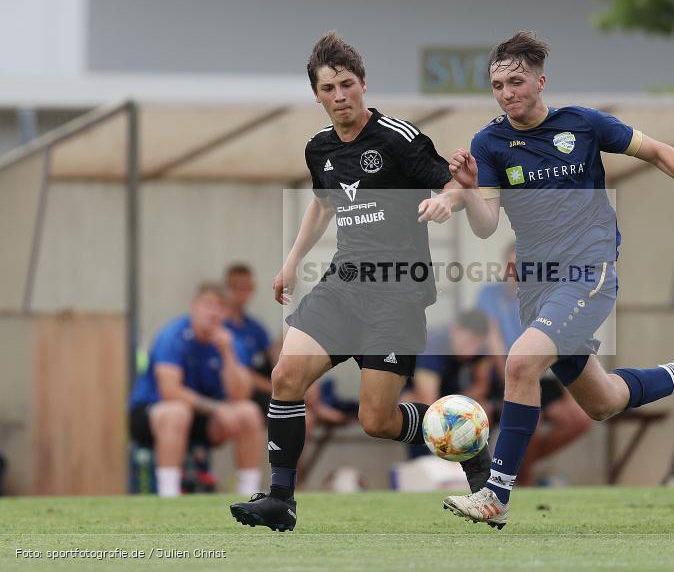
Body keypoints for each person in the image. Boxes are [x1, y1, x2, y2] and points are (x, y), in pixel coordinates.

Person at [443, 31, 674, 528]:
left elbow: (658, 151)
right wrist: (470, 191)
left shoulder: (582, 124)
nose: (507, 93)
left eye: (516, 81)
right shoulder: (488, 142)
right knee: (603, 403)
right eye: (497, 85)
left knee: (520, 364)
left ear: (540, 80)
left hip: (588, 271)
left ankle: (495, 494)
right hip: (537, 285)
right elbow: (487, 225)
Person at [229, 31, 491, 531]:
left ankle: (469, 442)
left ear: (363, 84)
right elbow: (324, 203)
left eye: (347, 84)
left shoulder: (399, 138)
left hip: (398, 293)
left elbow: (455, 183)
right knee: (285, 377)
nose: (339, 96)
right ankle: (280, 499)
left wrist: (445, 201)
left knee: (378, 421)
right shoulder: (319, 149)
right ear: (317, 95)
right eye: (328, 89)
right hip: (342, 287)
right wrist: (292, 261)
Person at [128, 282, 264, 497]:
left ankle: (249, 492)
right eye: (208, 305)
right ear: (194, 306)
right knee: (176, 412)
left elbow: (240, 395)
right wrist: (218, 408)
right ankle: (169, 493)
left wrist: (228, 353)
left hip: (202, 416)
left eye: (220, 307)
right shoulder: (173, 335)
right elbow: (169, 391)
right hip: (154, 412)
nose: (213, 312)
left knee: (248, 411)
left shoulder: (231, 341)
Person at [476, 243, 593, 487]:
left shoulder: (547, 298)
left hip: (544, 376)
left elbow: (561, 345)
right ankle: (525, 480)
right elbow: (494, 342)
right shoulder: (489, 295)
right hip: (507, 375)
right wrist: (514, 383)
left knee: (579, 420)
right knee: (532, 420)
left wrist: (572, 392)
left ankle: (514, 470)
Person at [223, 263, 277, 415]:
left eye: (247, 287)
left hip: (264, 387)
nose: (242, 293)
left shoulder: (255, 327)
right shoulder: (221, 327)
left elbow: (274, 358)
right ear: (226, 288)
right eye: (236, 287)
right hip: (239, 390)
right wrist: (278, 389)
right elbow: (243, 373)